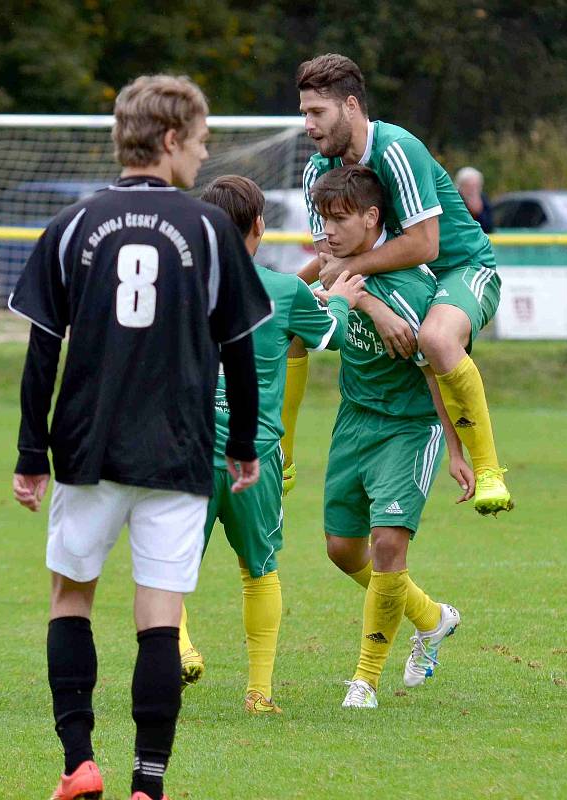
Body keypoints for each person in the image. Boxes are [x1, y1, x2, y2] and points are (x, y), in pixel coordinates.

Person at [9, 75, 272, 800]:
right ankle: (147, 786)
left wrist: (32, 454)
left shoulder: (69, 226)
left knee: (72, 598)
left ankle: (78, 763)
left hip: (87, 447)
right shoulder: (210, 229)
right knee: (159, 620)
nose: (206, 150)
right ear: (169, 140)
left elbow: (41, 352)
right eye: (201, 139)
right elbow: (241, 348)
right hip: (179, 450)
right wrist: (243, 442)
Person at [294, 53, 513, 517]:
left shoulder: (396, 149)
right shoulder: (318, 170)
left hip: (463, 268)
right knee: (291, 324)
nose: (308, 125)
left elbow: (426, 246)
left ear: (351, 106)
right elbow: (333, 262)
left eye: (318, 113)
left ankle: (489, 467)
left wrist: (357, 284)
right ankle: (283, 454)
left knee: (435, 337)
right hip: (394, 281)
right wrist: (367, 305)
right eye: (304, 114)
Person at [178, 175, 363, 713]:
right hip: (252, 454)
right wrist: (344, 300)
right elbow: (333, 334)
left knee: (166, 565)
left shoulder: (181, 287)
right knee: (260, 570)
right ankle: (258, 694)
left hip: (187, 447)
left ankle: (182, 648)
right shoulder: (282, 292)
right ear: (259, 226)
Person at [311, 164, 474, 708]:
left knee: (386, 545)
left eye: (339, 220)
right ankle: (432, 618)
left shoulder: (413, 286)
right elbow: (316, 331)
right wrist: (350, 300)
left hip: (409, 430)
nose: (328, 231)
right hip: (353, 422)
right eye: (323, 219)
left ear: (372, 218)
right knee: (341, 550)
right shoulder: (338, 273)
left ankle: (366, 679)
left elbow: (438, 370)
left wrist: (456, 449)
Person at [455, 166, 494, 233]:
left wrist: (479, 212)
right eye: (469, 186)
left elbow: (489, 227)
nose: (473, 190)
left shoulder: (483, 199)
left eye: (477, 186)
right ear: (460, 186)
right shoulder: (454, 201)